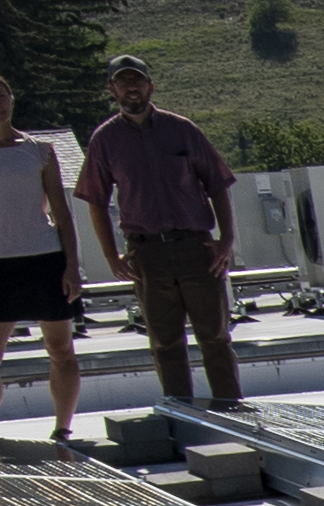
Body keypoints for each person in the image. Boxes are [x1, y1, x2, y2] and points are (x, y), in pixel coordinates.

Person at [79, 54, 247, 414]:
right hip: (147, 253)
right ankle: (182, 415)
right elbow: (95, 200)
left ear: (150, 86)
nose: (131, 87)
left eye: (136, 80)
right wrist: (111, 255)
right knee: (165, 342)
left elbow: (217, 183)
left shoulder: (182, 129)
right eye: (122, 82)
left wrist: (226, 239)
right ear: (112, 90)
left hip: (195, 247)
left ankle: (232, 413)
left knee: (215, 336)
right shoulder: (105, 140)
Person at [0, 68, 88, 442]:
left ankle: (62, 428)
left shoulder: (39, 151)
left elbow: (61, 211)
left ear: (11, 99)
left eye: (0, 96)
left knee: (60, 350)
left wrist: (72, 265)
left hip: (45, 258)